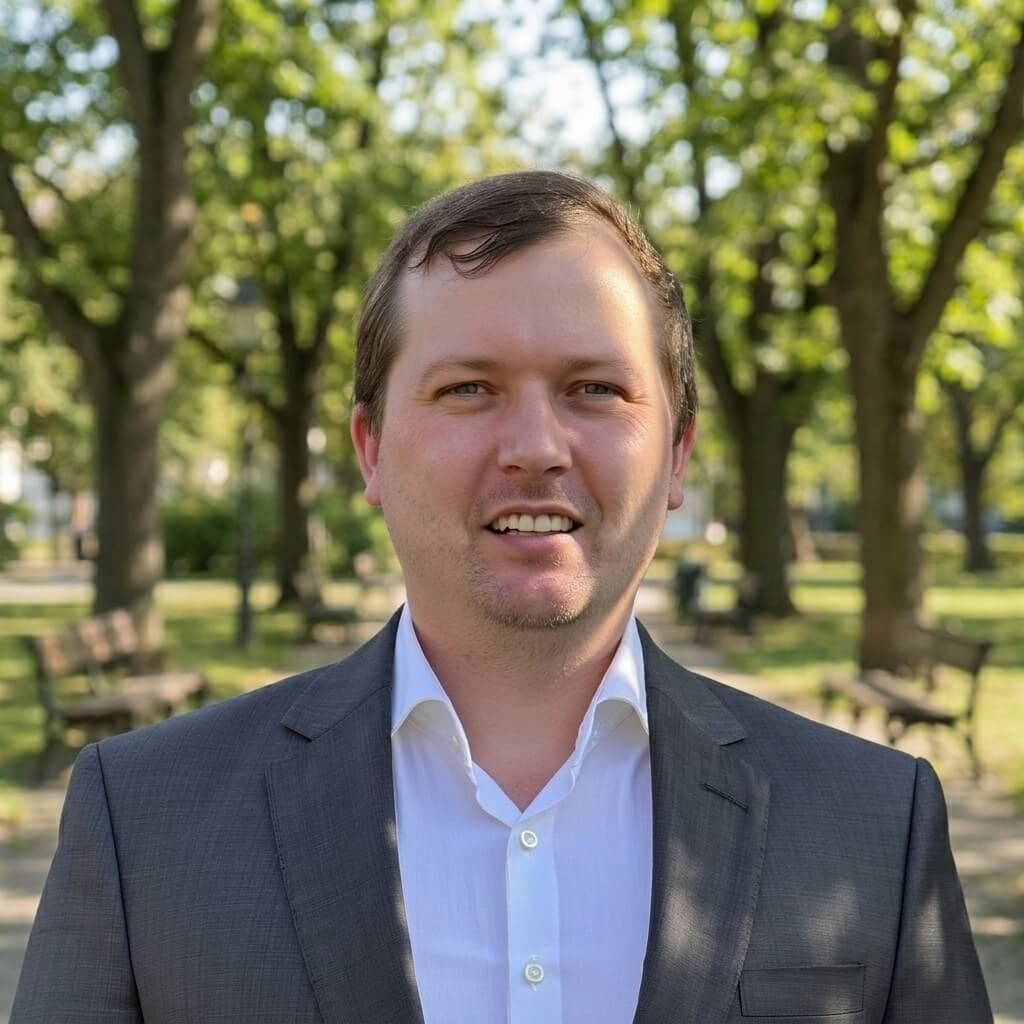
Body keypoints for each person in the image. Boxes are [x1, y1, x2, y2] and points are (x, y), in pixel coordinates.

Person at [13, 171, 991, 1023]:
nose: (533, 447)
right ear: (371, 450)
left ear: (680, 452)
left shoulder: (873, 824)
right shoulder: (145, 822)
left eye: (595, 389)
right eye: (470, 388)